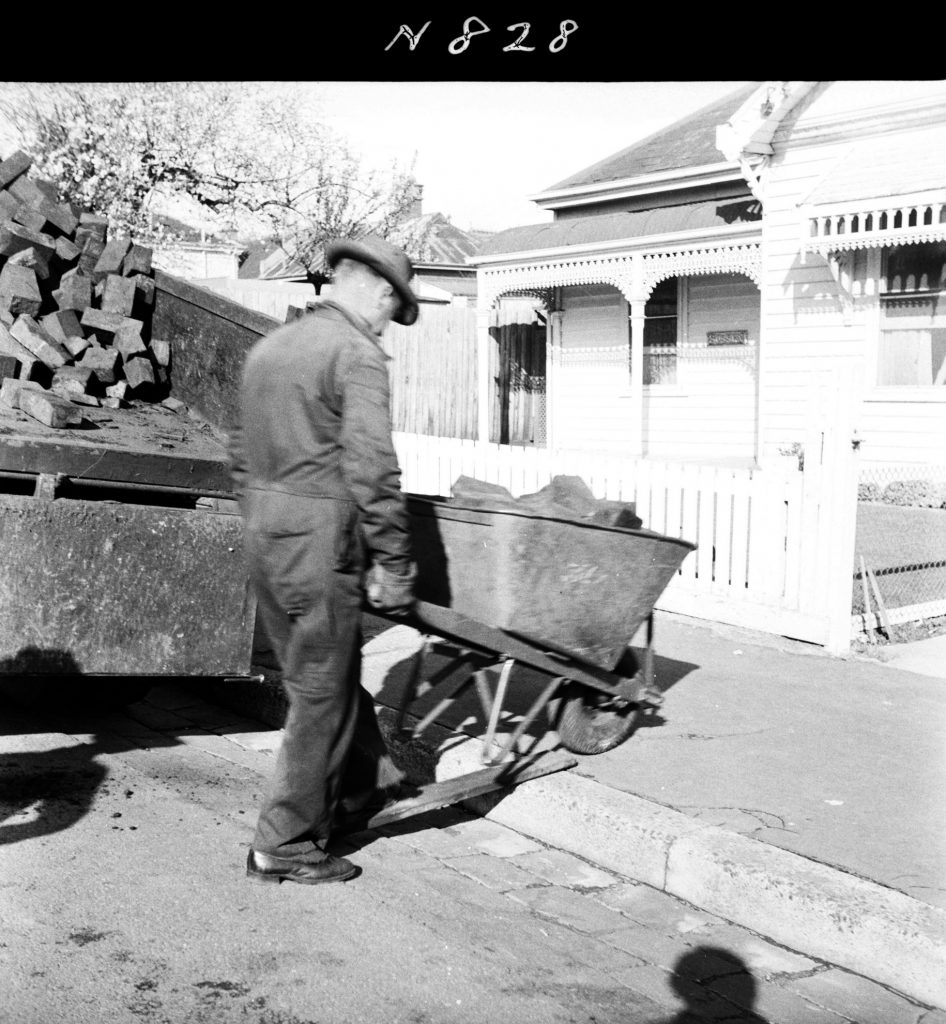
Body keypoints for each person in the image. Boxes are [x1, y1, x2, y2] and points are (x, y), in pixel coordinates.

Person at [229, 235, 420, 885]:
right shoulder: (357, 354)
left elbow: (237, 447)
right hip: (319, 543)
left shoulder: (271, 346)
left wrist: (261, 513)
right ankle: (285, 843)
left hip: (265, 533)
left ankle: (368, 782)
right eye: (394, 305)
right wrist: (395, 560)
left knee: (325, 675)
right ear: (376, 289)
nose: (390, 320)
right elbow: (373, 467)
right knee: (319, 693)